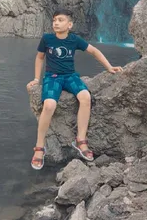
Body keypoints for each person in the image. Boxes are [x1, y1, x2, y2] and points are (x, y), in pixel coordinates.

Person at [27, 9, 123, 170]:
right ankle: (39, 146)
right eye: (54, 20)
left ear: (69, 25)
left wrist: (109, 67)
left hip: (71, 76)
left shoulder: (74, 40)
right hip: (52, 77)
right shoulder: (47, 39)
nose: (56, 23)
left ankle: (80, 139)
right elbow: (39, 57)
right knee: (49, 104)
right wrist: (36, 79)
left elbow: (94, 51)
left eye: (60, 20)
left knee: (85, 97)